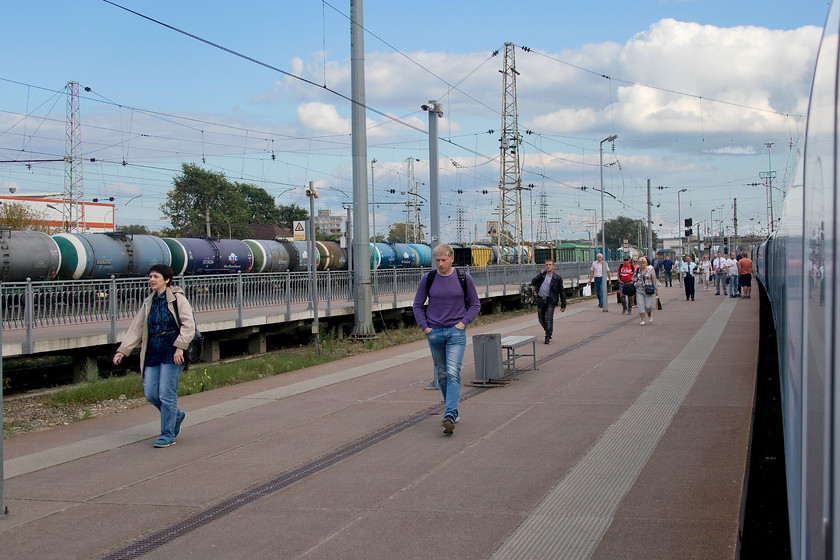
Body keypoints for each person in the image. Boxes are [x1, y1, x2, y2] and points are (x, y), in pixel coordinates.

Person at [113, 264, 196, 448]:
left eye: (156, 276)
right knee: (151, 394)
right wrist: (123, 350)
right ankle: (176, 415)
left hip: (172, 351)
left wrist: (180, 347)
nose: (151, 280)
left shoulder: (177, 299)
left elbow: (188, 325)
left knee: (166, 394)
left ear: (166, 280)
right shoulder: (148, 302)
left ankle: (167, 434)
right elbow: (137, 327)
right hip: (152, 350)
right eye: (150, 276)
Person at [413, 243, 481, 436]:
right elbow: (417, 305)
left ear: (452, 259)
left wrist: (462, 324)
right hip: (434, 333)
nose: (440, 264)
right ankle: (452, 409)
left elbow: (475, 305)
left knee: (453, 372)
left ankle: (449, 414)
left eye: (443, 260)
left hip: (455, 333)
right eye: (437, 261)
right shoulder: (428, 279)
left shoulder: (463, 278)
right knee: (442, 374)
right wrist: (425, 328)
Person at [531, 259, 567, 344]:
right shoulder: (542, 276)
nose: (548, 266)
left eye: (550, 265)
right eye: (546, 265)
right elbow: (533, 282)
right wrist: (540, 274)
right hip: (541, 300)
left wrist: (563, 305)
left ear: (553, 266)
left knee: (549, 319)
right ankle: (548, 330)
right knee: (541, 319)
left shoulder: (557, 278)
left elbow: (561, 292)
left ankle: (548, 336)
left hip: (551, 300)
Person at [633, 256, 659, 325]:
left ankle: (649, 315)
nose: (642, 265)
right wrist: (634, 279)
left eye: (643, 263)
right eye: (641, 263)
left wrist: (656, 291)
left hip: (648, 290)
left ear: (646, 263)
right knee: (640, 305)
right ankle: (643, 320)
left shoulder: (650, 270)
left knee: (648, 306)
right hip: (639, 290)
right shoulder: (637, 270)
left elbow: (654, 280)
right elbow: (633, 277)